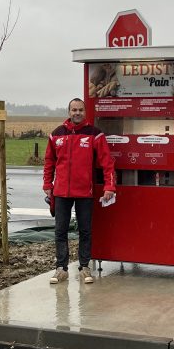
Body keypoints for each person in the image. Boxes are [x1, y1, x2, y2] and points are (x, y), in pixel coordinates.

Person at [43, 98, 116, 284]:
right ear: (69, 112)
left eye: (80, 110)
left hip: (85, 192)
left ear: (85, 112)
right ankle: (61, 269)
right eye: (74, 110)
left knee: (85, 231)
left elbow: (107, 164)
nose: (77, 113)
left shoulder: (95, 134)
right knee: (60, 231)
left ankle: (84, 267)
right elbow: (49, 163)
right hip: (61, 193)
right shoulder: (56, 135)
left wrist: (109, 186)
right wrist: (47, 186)